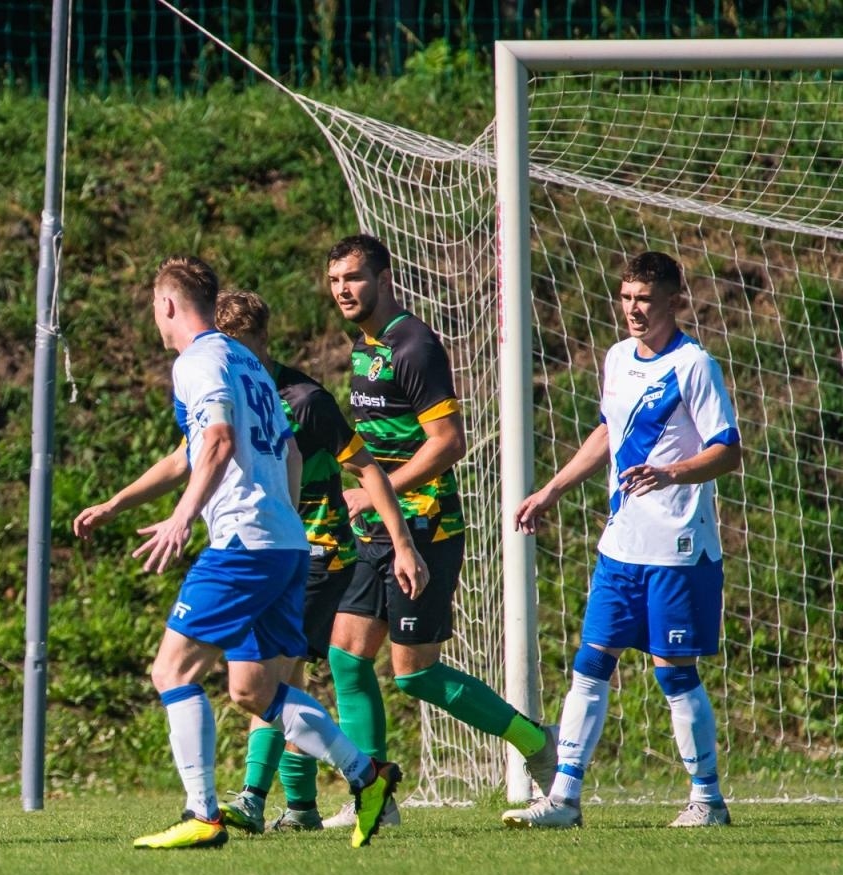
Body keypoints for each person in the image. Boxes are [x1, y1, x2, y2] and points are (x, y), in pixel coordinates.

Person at [74, 256, 402, 850]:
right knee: (253, 689)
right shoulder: (248, 363)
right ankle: (368, 775)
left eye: (154, 306)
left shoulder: (196, 362)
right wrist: (117, 504)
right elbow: (198, 453)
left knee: (170, 670)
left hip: (243, 545)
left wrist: (181, 517)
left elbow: (219, 443)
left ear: (168, 305)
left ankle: (203, 813)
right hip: (283, 543)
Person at [321, 234, 558, 830]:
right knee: (346, 658)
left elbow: (447, 443)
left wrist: (379, 491)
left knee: (415, 673)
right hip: (377, 527)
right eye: (334, 281)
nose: (343, 290)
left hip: (425, 526)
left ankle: (535, 739)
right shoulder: (364, 346)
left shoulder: (414, 344)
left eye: (353, 277)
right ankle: (373, 798)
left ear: (383, 276)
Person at [503, 251, 742, 829]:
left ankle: (706, 801)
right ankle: (563, 799)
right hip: (622, 544)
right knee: (591, 662)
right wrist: (552, 489)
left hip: (679, 546)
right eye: (627, 297)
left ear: (672, 302)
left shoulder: (694, 366)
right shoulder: (615, 359)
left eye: (645, 299)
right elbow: (610, 432)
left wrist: (672, 472)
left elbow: (729, 449)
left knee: (673, 671)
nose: (633, 310)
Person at [201, 291, 428, 835]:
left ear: (264, 341)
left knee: (264, 681)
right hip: (275, 553)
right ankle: (301, 806)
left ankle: (268, 794)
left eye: (247, 349)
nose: (240, 361)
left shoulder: (304, 400)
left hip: (318, 552)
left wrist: (401, 543)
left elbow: (366, 468)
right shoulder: (229, 392)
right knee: (285, 678)